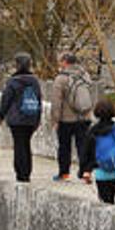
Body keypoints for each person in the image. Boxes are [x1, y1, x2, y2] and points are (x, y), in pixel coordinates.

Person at [79, 99, 115, 204]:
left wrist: (84, 171)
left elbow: (86, 154)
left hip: (102, 172)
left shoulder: (93, 131)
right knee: (110, 199)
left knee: (105, 201)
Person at [0, 52, 44, 183]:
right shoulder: (35, 81)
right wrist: (38, 118)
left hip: (17, 119)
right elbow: (39, 99)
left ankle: (20, 173)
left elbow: (6, 100)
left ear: (17, 65)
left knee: (19, 145)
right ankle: (27, 172)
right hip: (31, 117)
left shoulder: (13, 82)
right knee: (26, 145)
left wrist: (1, 115)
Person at [50, 52, 95, 181]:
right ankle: (86, 172)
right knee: (83, 145)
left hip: (66, 119)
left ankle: (64, 173)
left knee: (64, 146)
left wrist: (55, 119)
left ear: (65, 62)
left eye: (60, 62)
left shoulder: (61, 79)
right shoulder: (85, 76)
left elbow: (56, 101)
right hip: (85, 117)